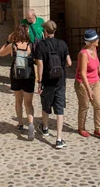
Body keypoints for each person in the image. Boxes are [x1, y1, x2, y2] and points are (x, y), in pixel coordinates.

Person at [35, 20, 72, 149]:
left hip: (47, 81)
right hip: (60, 81)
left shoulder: (41, 45)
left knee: (46, 105)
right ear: (54, 31)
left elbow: (40, 65)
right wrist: (61, 67)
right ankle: (59, 139)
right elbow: (69, 62)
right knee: (59, 108)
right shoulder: (62, 44)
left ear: (45, 31)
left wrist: (39, 82)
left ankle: (45, 128)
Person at [0, 24, 35, 141]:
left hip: (16, 76)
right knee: (28, 103)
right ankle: (30, 124)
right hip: (29, 76)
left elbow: (0, 53)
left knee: (18, 100)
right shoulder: (31, 46)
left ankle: (20, 123)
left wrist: (7, 41)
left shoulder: (13, 46)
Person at [74, 29, 100, 140]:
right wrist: (88, 90)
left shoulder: (94, 49)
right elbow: (83, 73)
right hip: (83, 84)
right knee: (84, 106)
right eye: (96, 39)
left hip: (95, 81)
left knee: (98, 106)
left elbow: (97, 64)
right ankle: (81, 128)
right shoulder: (83, 54)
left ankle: (98, 130)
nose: (98, 40)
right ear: (92, 42)